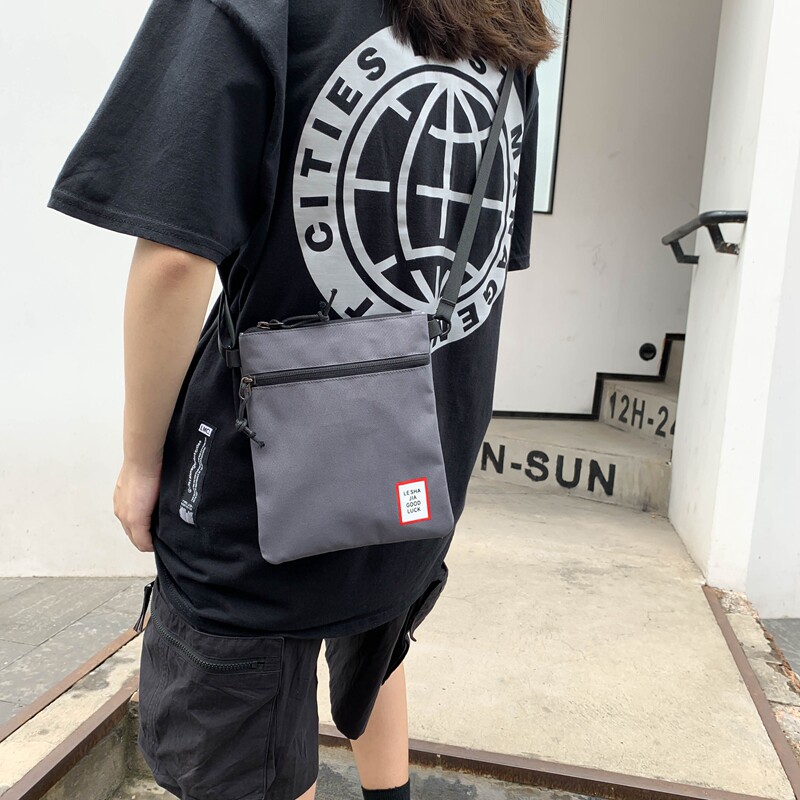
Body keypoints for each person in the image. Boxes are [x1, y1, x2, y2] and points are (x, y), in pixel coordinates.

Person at [47, 0, 556, 798]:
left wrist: (141, 463)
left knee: (246, 738)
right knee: (373, 627)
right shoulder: (505, 21)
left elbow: (176, 259)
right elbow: (482, 259)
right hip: (420, 459)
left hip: (262, 485)